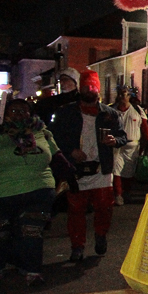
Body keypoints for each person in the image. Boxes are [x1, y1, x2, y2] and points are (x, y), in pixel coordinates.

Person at [49, 70, 126, 262]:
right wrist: (70, 151)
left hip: (101, 170)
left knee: (104, 208)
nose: (89, 90)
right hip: (76, 170)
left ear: (98, 89)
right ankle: (77, 246)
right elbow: (53, 138)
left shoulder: (110, 114)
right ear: (80, 89)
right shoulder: (66, 113)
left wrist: (114, 140)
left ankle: (101, 235)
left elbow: (123, 136)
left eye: (93, 86)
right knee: (76, 211)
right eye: (86, 86)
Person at [0, 99, 68, 286]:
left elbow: (56, 155)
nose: (19, 114)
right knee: (3, 233)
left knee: (31, 231)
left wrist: (70, 175)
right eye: (14, 110)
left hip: (38, 189)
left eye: (23, 110)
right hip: (4, 191)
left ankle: (33, 271)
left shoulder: (41, 131)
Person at [111, 86, 148, 205]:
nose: (123, 97)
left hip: (132, 145)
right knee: (116, 169)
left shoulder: (137, 110)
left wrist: (146, 143)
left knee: (128, 170)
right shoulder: (112, 110)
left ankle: (126, 192)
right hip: (117, 144)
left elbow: (144, 127)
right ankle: (118, 194)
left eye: (125, 95)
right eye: (121, 94)